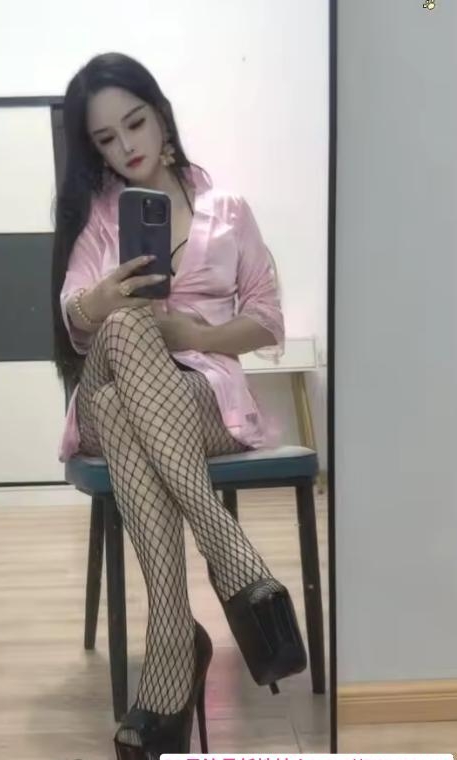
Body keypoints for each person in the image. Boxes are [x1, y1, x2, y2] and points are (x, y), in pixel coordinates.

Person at [51, 52, 306, 759]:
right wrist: (102, 301)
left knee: (118, 407)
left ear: (161, 116)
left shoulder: (229, 212)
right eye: (106, 139)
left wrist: (196, 335)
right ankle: (230, 556)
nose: (126, 146)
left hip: (203, 398)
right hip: (117, 369)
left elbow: (267, 321)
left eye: (134, 123)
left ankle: (173, 641)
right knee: (125, 325)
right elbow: (74, 318)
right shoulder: (101, 220)